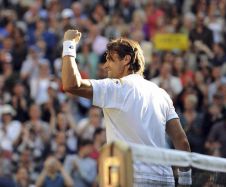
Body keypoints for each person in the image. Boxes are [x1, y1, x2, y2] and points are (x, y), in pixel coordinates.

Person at [61, 29, 191, 186]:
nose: (106, 65)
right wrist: (185, 179)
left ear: (126, 60)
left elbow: (71, 84)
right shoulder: (161, 93)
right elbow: (181, 140)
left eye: (111, 59)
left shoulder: (115, 88)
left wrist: (69, 44)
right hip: (165, 179)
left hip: (130, 178)